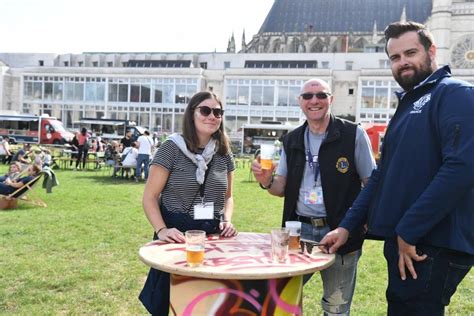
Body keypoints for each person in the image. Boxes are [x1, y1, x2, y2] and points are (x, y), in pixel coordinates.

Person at [320, 21, 474, 315]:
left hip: (431, 243)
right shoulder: (408, 104)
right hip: (409, 241)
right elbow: (382, 175)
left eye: (410, 53)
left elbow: (462, 168)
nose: (402, 62)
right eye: (395, 57)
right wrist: (346, 226)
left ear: (432, 51)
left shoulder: (455, 93)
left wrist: (408, 231)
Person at [252, 78, 375, 315]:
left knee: (336, 306)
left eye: (321, 95)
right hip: (299, 233)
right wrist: (266, 180)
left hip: (340, 231)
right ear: (300, 102)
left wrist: (360, 221)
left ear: (331, 99)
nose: (314, 100)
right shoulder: (292, 139)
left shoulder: (352, 134)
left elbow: (371, 183)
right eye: (308, 96)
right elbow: (280, 188)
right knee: (283, 300)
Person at [139, 91, 237, 314]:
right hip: (176, 235)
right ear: (192, 114)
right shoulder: (171, 147)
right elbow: (150, 197)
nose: (212, 116)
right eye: (205, 110)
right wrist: (161, 229)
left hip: (211, 236)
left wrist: (227, 220)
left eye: (218, 112)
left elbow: (228, 197)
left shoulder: (223, 152)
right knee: (172, 303)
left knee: (207, 304)